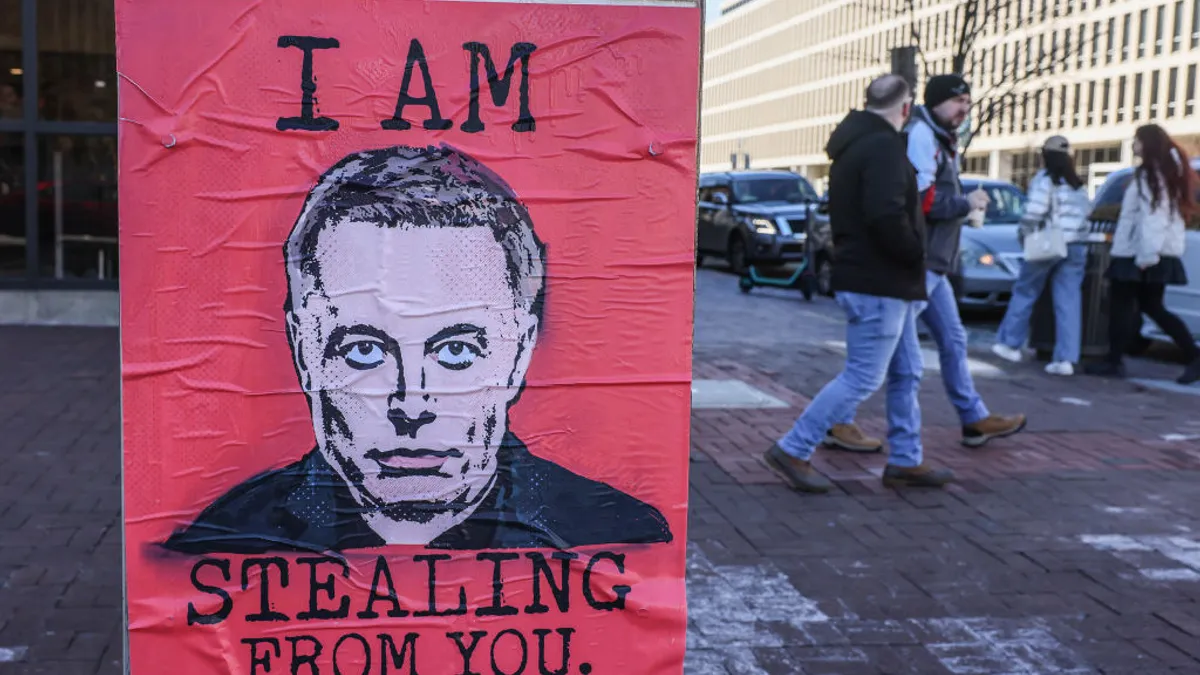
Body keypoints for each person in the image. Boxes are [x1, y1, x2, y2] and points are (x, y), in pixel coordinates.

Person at [162, 144, 672, 553]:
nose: (410, 406)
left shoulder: (615, 539)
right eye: (364, 351)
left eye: (456, 352)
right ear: (305, 351)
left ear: (518, 354)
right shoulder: (224, 548)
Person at [764, 74, 954, 493]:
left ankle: (906, 459)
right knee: (864, 376)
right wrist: (914, 254)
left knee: (907, 370)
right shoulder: (884, 147)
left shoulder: (855, 146)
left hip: (880, 279)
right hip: (881, 280)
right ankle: (794, 447)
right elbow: (885, 216)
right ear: (905, 109)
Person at [904, 74, 1026, 447]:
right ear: (937, 101)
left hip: (934, 264)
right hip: (922, 261)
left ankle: (973, 418)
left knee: (953, 340)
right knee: (888, 352)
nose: (965, 110)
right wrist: (965, 203)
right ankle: (837, 420)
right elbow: (921, 202)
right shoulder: (922, 136)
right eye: (959, 102)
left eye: (968, 104)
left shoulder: (938, 137)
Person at [1086, 125, 1200, 384]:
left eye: (1137, 140)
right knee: (1151, 306)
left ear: (1147, 144)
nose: (1133, 145)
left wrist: (1147, 256)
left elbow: (1153, 216)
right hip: (1149, 251)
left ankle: (1114, 361)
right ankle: (1192, 354)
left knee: (1123, 306)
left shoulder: (1151, 174)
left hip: (1139, 252)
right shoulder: (1166, 173)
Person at [991, 136, 1093, 376]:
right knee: (1068, 302)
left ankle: (1009, 344)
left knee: (1025, 291)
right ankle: (1066, 359)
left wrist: (1023, 234)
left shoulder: (1045, 180)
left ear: (1044, 155)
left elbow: (1034, 212)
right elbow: (1087, 214)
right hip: (1076, 246)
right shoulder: (1077, 184)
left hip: (1047, 243)